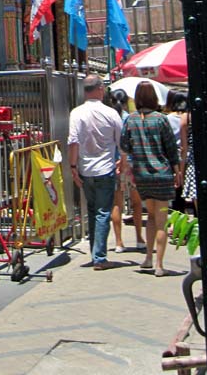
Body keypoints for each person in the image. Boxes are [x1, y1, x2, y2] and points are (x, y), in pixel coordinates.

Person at [120, 80, 182, 276]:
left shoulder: (130, 120)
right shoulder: (161, 119)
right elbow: (171, 147)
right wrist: (177, 170)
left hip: (142, 175)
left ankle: (148, 257)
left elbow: (124, 145)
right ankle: (159, 265)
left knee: (151, 217)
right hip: (162, 173)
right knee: (162, 221)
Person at [68, 74, 125, 270]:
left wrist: (73, 167)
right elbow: (122, 142)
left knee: (92, 211)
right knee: (102, 212)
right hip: (105, 169)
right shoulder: (111, 113)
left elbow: (73, 141)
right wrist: (123, 161)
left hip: (85, 169)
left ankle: (96, 252)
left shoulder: (76, 113)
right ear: (100, 89)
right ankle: (99, 257)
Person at [108, 89, 146, 253]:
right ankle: (139, 238)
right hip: (133, 163)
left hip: (115, 164)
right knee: (136, 203)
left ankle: (119, 242)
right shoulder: (131, 119)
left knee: (117, 204)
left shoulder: (109, 118)